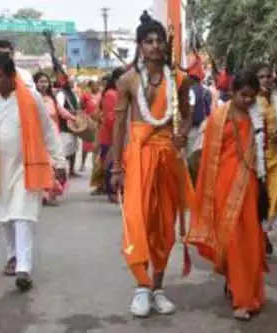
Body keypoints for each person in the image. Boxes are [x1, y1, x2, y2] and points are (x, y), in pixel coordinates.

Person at [110, 12, 193, 318]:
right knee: (138, 222)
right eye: (149, 41)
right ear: (140, 46)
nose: (155, 46)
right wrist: (117, 167)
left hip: (168, 158)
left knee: (164, 225)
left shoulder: (179, 79)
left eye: (159, 41)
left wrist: (183, 133)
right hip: (139, 158)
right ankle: (141, 287)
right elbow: (119, 125)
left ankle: (157, 287)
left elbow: (186, 115)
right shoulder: (128, 80)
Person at [0, 53, 65, 292]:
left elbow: (48, 131)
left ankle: (24, 268)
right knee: (3, 215)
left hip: (26, 166)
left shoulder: (31, 97)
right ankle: (13, 255)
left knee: (22, 215)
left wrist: (59, 161)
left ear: (11, 75)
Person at [187, 69, 267, 321]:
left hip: (249, 184)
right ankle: (241, 299)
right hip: (223, 185)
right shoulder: (218, 118)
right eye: (243, 95)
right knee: (232, 240)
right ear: (232, 92)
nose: (247, 101)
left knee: (250, 240)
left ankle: (244, 290)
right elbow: (208, 157)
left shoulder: (257, 118)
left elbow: (263, 152)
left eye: (252, 97)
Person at [254, 62, 277, 254]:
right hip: (256, 162)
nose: (266, 80)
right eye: (262, 77)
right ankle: (261, 235)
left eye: (268, 76)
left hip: (276, 159)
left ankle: (264, 232)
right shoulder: (250, 102)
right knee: (259, 201)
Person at [34, 72, 75, 206]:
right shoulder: (32, 98)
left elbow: (62, 111)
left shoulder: (52, 99)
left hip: (53, 137)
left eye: (45, 81)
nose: (43, 84)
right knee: (45, 165)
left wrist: (75, 118)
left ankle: (51, 194)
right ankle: (44, 194)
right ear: (35, 83)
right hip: (38, 138)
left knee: (57, 164)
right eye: (41, 81)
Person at [97, 68, 125, 203]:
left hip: (117, 134)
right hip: (110, 136)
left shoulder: (119, 93)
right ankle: (111, 192)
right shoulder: (111, 94)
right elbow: (111, 118)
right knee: (111, 164)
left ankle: (114, 191)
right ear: (116, 80)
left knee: (114, 162)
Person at [56, 76, 80, 177]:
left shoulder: (73, 93)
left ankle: (72, 170)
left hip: (73, 124)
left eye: (73, 81)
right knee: (65, 148)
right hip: (65, 125)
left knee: (74, 147)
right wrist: (71, 113)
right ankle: (62, 171)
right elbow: (59, 108)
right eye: (71, 82)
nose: (73, 83)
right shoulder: (61, 93)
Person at [80, 80, 102, 172]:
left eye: (97, 85)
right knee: (85, 144)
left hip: (99, 123)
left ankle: (96, 165)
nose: (95, 87)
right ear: (90, 86)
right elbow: (81, 107)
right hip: (89, 124)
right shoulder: (85, 95)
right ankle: (82, 163)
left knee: (97, 145)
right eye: (93, 86)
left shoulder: (101, 95)